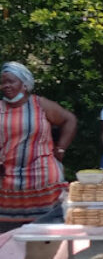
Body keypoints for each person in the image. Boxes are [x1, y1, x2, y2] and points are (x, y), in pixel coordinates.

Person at [0, 62, 77, 232]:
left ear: (25, 84)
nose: (5, 86)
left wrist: (61, 148)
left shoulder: (40, 104)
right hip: (7, 183)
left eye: (11, 81)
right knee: (7, 236)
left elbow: (69, 120)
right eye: (3, 82)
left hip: (43, 180)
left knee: (45, 234)